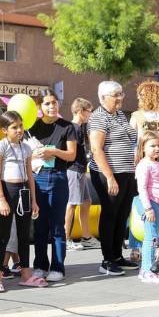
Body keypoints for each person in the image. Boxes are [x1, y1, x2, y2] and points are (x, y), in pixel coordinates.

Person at [88, 81, 138, 276]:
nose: (120, 98)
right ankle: (107, 259)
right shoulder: (99, 117)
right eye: (115, 95)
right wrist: (109, 177)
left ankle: (117, 255)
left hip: (126, 172)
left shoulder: (119, 115)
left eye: (121, 94)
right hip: (108, 173)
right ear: (102, 98)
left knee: (122, 214)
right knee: (110, 214)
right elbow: (96, 149)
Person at [0, 111, 45, 290]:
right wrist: (2, 199)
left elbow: (30, 175)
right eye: (14, 127)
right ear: (4, 130)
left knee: (23, 236)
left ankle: (26, 275)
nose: (19, 130)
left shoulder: (26, 148)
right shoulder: (1, 147)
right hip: (8, 191)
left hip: (23, 192)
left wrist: (34, 200)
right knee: (4, 236)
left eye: (21, 126)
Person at [28, 89, 76, 282]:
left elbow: (71, 155)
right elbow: (25, 154)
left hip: (58, 177)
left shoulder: (67, 127)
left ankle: (58, 267)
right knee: (39, 225)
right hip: (37, 177)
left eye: (54, 103)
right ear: (40, 106)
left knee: (57, 225)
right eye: (47, 103)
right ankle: (40, 264)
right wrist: (36, 155)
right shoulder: (32, 127)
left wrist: (55, 152)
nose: (51, 106)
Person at [133, 131, 159, 284]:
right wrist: (148, 209)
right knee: (151, 237)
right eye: (152, 145)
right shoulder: (144, 165)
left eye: (158, 145)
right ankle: (147, 270)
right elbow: (142, 188)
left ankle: (151, 268)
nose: (156, 148)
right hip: (151, 204)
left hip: (158, 205)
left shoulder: (156, 163)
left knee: (155, 238)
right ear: (143, 148)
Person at [65, 98, 97, 251]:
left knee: (86, 202)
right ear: (80, 111)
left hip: (81, 169)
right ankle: (65, 239)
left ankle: (86, 236)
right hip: (74, 169)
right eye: (89, 111)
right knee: (71, 203)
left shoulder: (81, 128)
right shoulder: (73, 128)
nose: (90, 114)